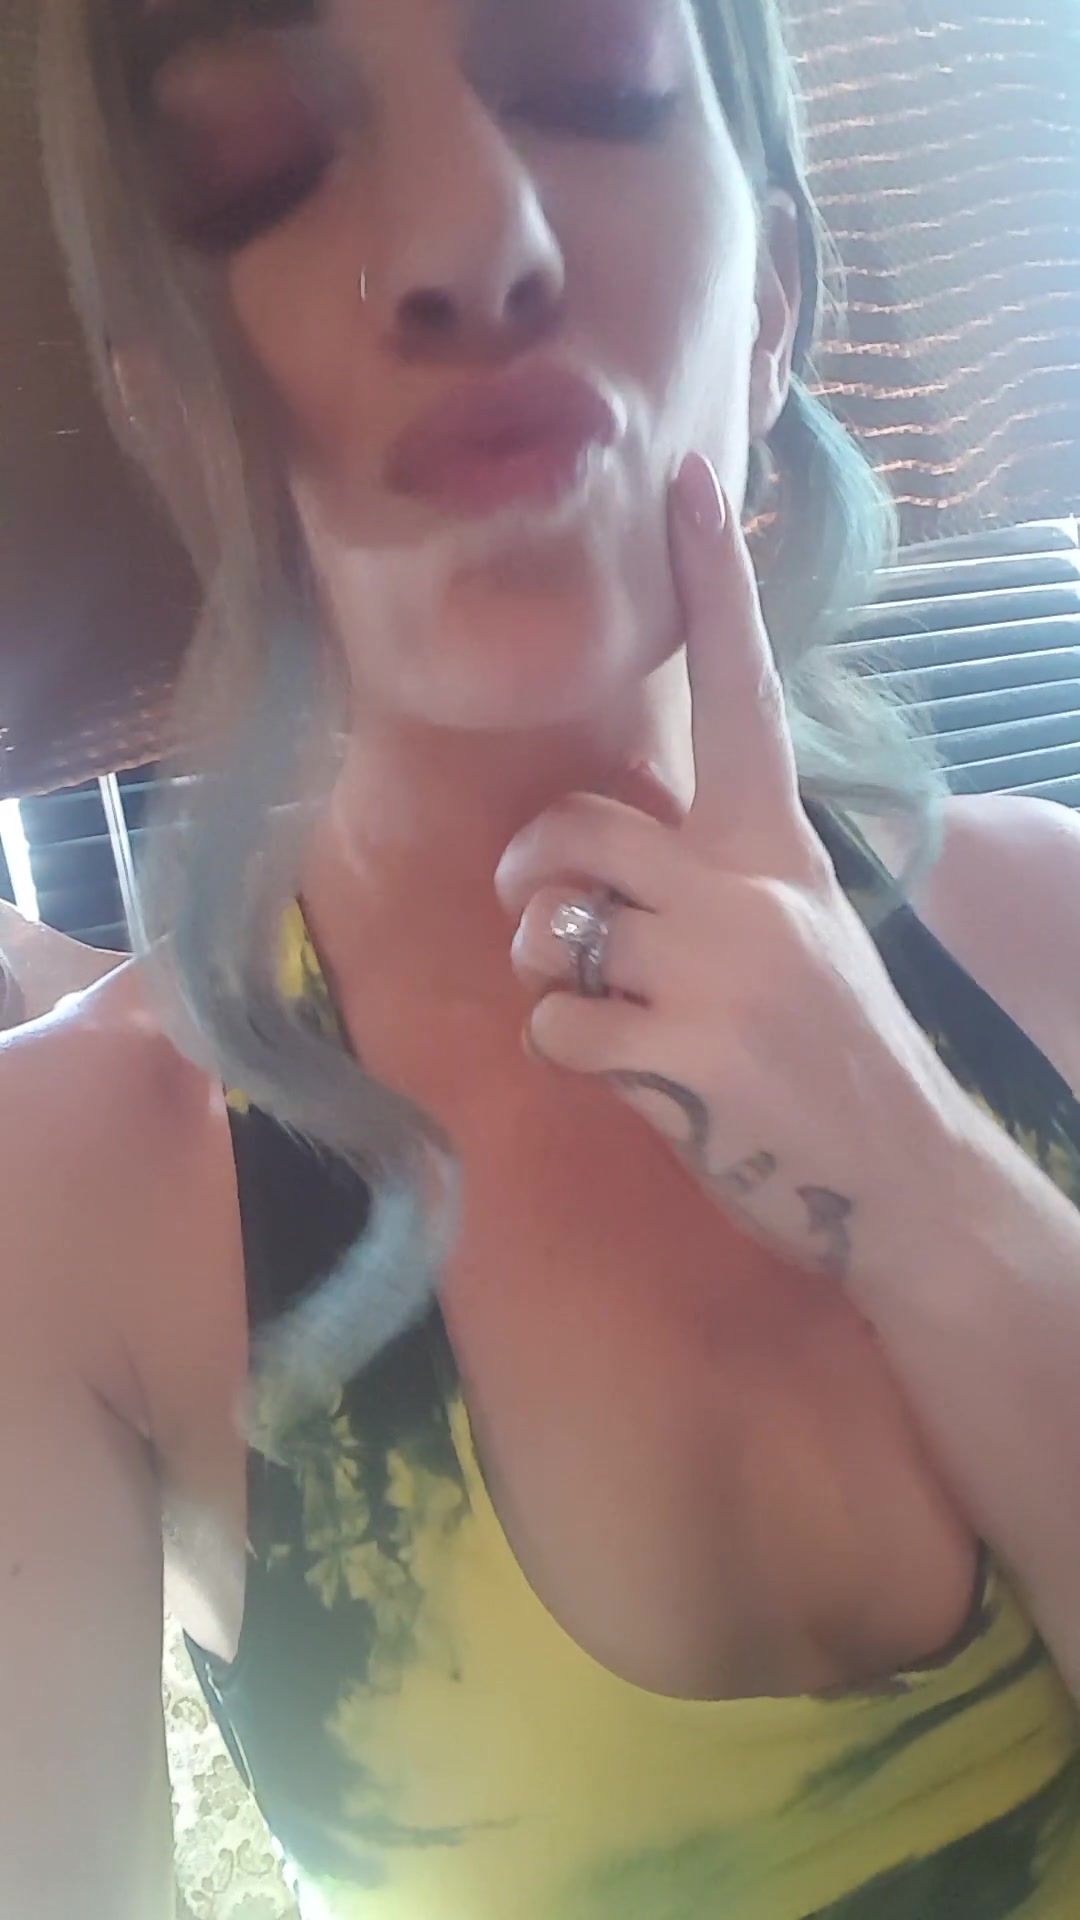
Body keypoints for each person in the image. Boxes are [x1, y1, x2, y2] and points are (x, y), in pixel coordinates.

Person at [7, 0, 1080, 1915]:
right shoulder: (64, 1203)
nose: (467, 238)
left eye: (590, 81)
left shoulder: (1055, 928)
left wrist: (923, 1182)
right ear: (175, 420)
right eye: (260, 158)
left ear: (774, 307)